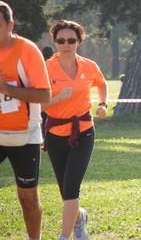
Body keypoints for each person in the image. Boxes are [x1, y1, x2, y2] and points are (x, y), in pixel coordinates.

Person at [42, 20, 108, 240]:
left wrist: (102, 104)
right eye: (61, 40)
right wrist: (58, 97)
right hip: (55, 134)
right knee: (65, 191)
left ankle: (64, 236)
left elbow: (102, 83)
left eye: (71, 40)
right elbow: (40, 105)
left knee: (71, 188)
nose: (66, 44)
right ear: (55, 42)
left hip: (84, 131)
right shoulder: (46, 68)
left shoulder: (89, 66)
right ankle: (80, 219)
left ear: (79, 41)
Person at [0, 1, 51, 240]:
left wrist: (7, 88)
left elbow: (44, 96)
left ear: (10, 25)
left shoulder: (27, 51)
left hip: (25, 134)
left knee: (27, 198)